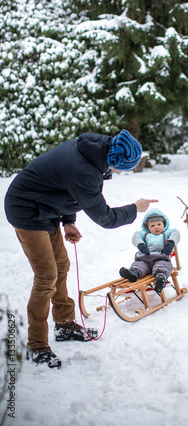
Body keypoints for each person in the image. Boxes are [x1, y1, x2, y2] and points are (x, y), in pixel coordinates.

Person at [4, 130, 157, 368]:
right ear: (116, 161)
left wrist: (68, 221)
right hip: (27, 211)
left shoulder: (91, 151)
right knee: (46, 277)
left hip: (46, 209)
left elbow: (63, 188)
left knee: (61, 266)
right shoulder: (85, 171)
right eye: (124, 168)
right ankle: (37, 345)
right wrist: (135, 208)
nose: (121, 172)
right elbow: (106, 218)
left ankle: (64, 324)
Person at [119, 208, 180, 294]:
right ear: (147, 227)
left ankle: (161, 278)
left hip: (160, 257)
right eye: (152, 226)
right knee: (139, 265)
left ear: (164, 224)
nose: (156, 227)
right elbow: (136, 236)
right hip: (145, 258)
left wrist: (171, 242)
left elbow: (176, 233)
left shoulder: (166, 233)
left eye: (159, 224)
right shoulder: (145, 234)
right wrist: (140, 244)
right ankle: (133, 274)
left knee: (162, 265)